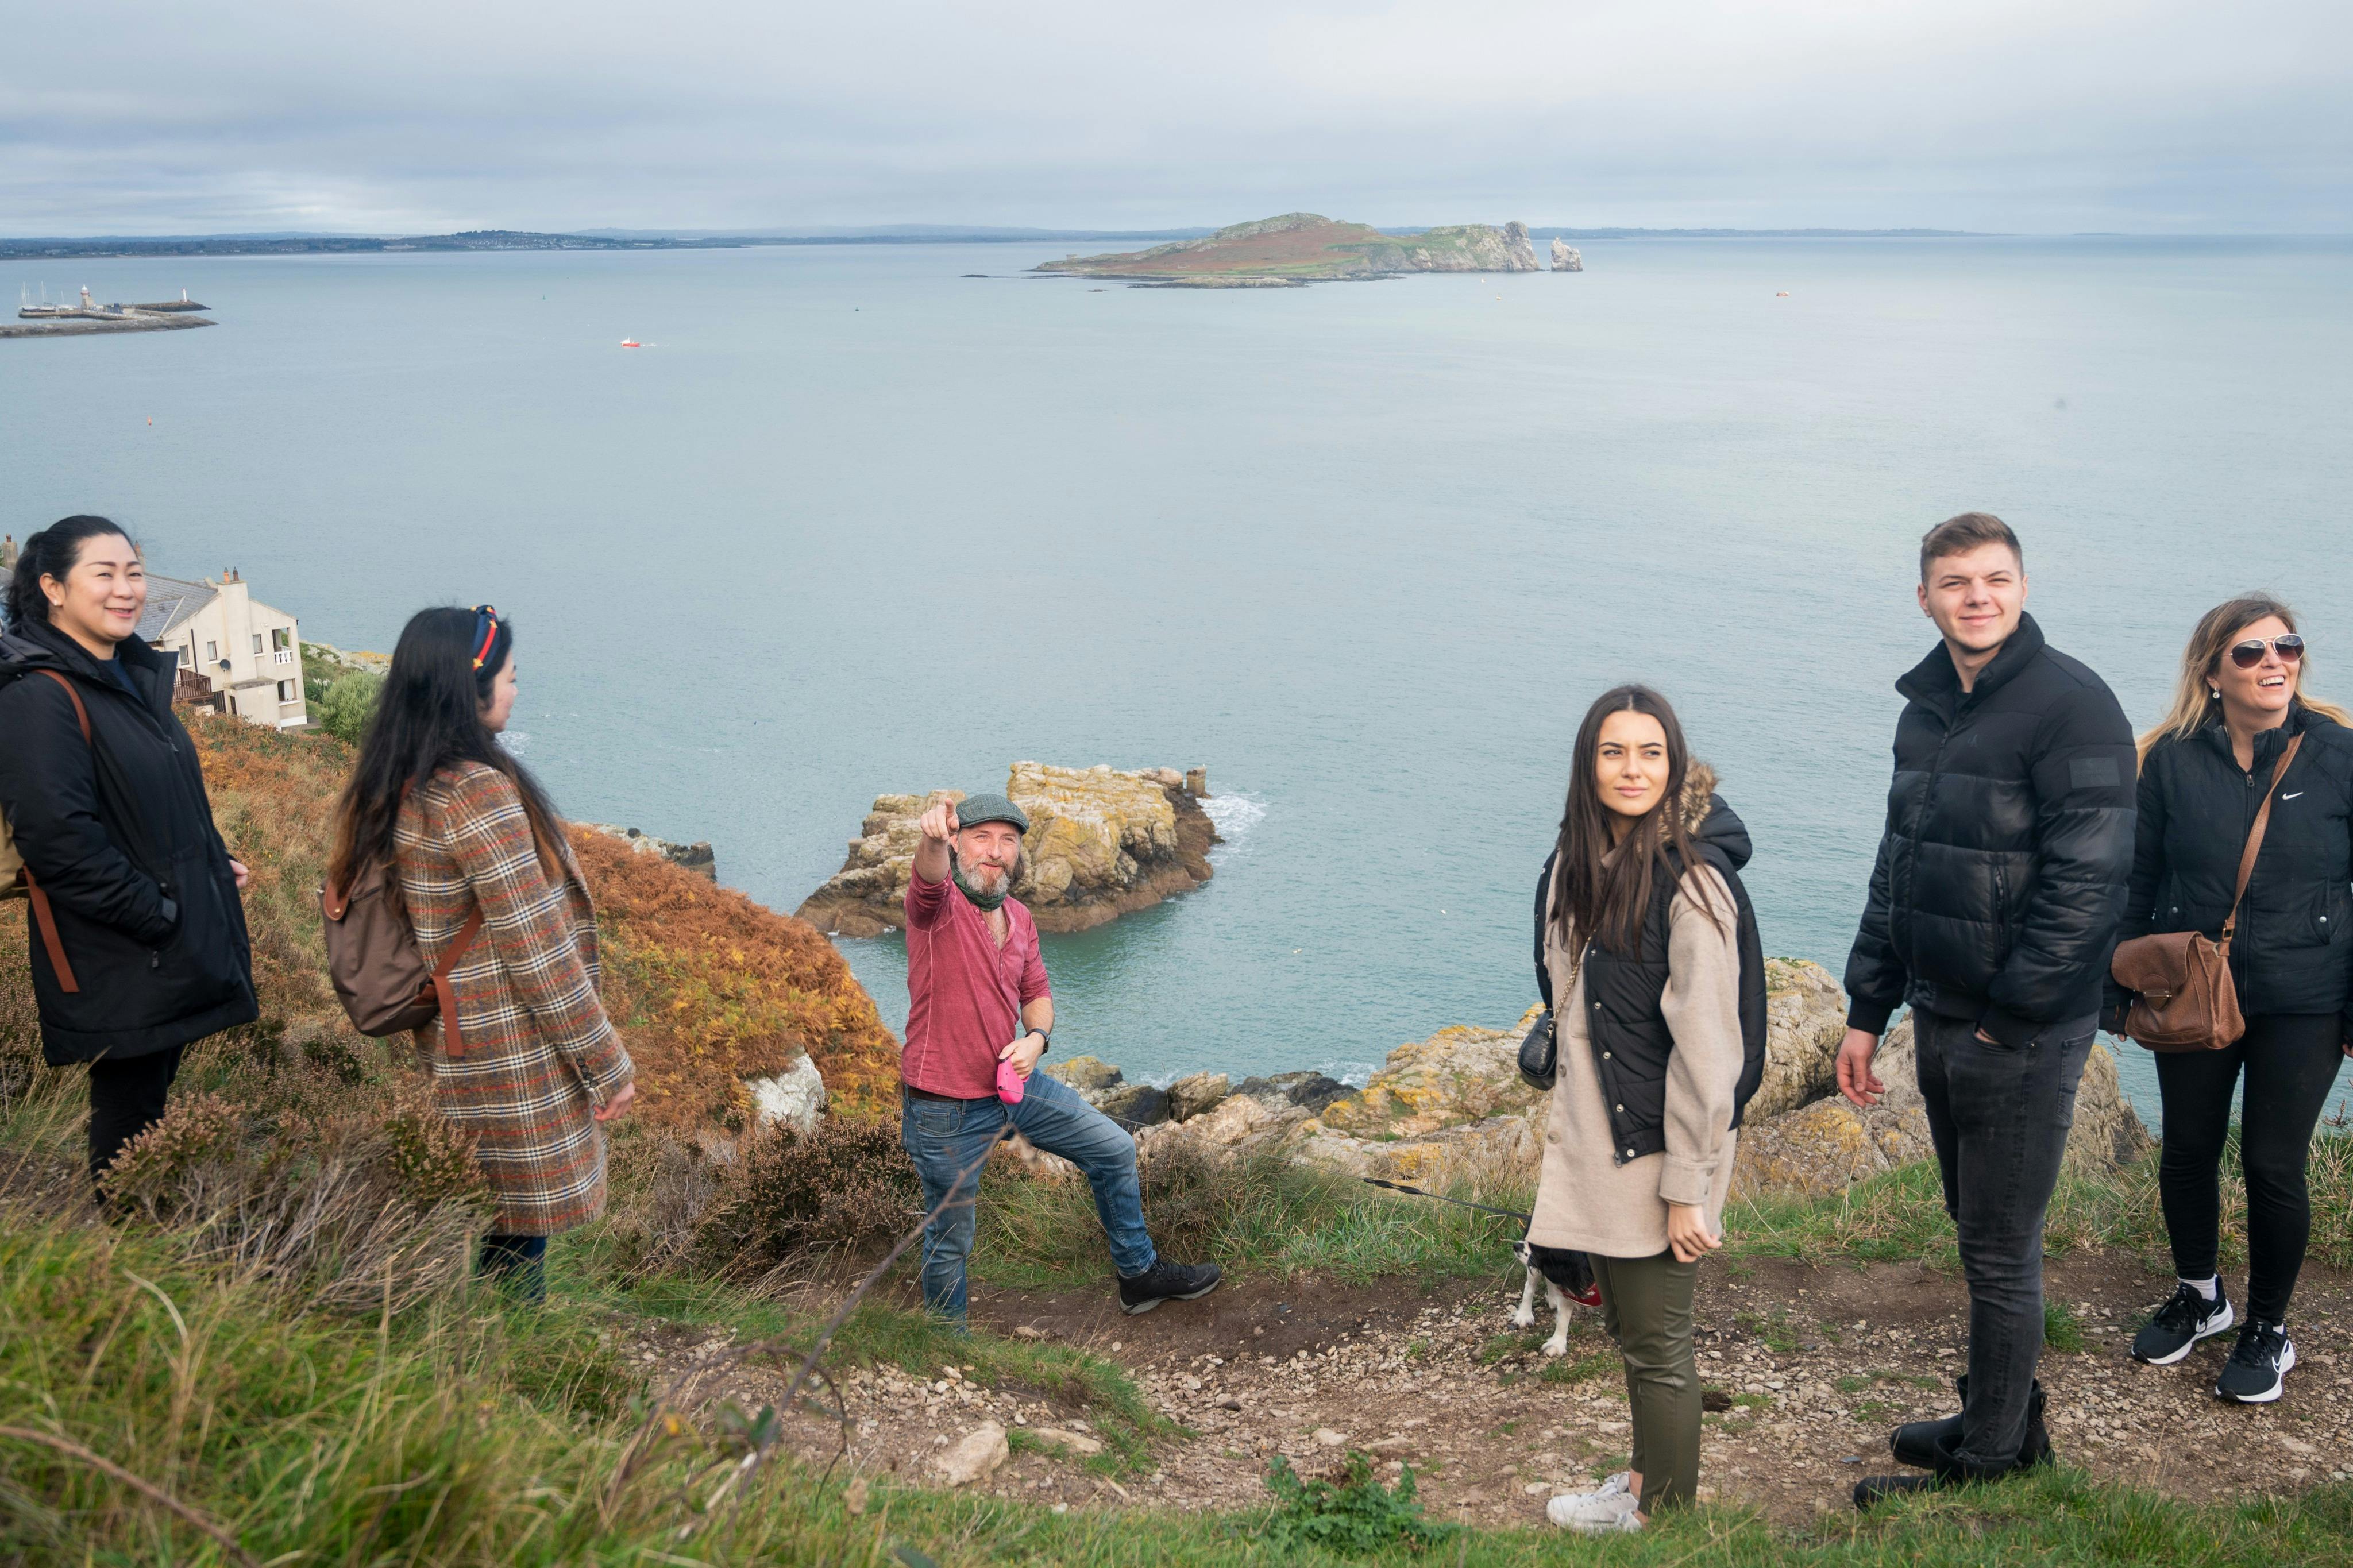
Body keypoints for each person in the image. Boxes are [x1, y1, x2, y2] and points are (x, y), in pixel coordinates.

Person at [1838, 512, 2135, 1504]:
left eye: (1996, 579)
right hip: (1940, 1011)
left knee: (2002, 1251)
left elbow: (2090, 886)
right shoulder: (1927, 708)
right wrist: (1868, 1007)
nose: (1978, 597)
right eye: (1957, 582)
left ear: (2022, 587)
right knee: (1979, 1231)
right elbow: (1901, 864)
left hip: (2019, 1030)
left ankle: (1992, 1461)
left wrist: (2008, 1019)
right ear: (1925, 597)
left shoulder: (2073, 707)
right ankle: (2006, 1418)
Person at [327, 605, 635, 1299]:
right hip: (508, 1045)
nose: (516, 690)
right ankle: (509, 1351)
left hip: (457, 1037)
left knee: (497, 1218)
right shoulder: (475, 791)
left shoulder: (402, 779)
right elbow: (536, 947)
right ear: (467, 689)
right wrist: (606, 1064)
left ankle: (482, 1339)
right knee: (518, 1234)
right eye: (510, 677)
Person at [1529, 686, 1766, 1535]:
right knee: (1631, 1328)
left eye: (1651, 752)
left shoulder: (1692, 883)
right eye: (1613, 751)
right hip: (1598, 1140)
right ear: (1587, 764)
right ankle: (1641, 1482)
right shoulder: (1578, 862)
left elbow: (1711, 1053)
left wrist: (1687, 1187)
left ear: (1675, 764)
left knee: (1659, 1345)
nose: (1633, 770)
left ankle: (1663, 1521)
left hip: (1661, 1145)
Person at [2109, 595, 2353, 1403]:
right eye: (2249, 652)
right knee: (2188, 1147)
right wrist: (2116, 987)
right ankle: (2200, 1295)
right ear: (2212, 673)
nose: (2273, 662)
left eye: (2286, 646)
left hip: (2305, 995)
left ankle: (2269, 1327)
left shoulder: (2339, 755)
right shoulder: (2170, 762)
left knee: (2273, 1162)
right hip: (2194, 988)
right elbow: (2139, 880)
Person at [0, 516, 257, 1190]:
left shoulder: (123, 675)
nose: (127, 590)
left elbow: (151, 797)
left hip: (155, 943)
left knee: (148, 1110)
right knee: (130, 1118)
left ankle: (144, 1233)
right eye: (105, 574)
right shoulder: (39, 695)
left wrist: (211, 860)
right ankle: (128, 1244)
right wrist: (161, 916)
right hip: (123, 949)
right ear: (53, 588)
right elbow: (59, 842)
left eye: (135, 573)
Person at [898, 789, 1220, 1327]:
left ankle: (1138, 1276)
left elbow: (1037, 992)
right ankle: (945, 1344)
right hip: (944, 1105)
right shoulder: (937, 909)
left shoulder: (1020, 917)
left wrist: (1036, 1040)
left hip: (1012, 1088)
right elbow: (928, 879)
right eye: (981, 838)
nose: (995, 851)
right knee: (951, 1237)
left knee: (1114, 1149)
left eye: (1008, 841)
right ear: (957, 844)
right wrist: (931, 839)